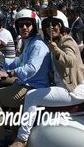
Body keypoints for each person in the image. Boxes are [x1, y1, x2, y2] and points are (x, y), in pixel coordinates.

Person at [10, 10, 84, 147]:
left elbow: (70, 61)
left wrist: (56, 50)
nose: (51, 28)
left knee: (31, 96)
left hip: (71, 89)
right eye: (47, 25)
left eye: (55, 24)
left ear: (62, 26)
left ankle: (21, 139)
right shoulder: (51, 43)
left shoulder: (67, 41)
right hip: (60, 87)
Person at [0, 9, 51, 146]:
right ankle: (12, 136)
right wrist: (1, 60)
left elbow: (31, 69)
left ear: (35, 25)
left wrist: (8, 73)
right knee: (11, 112)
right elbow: (20, 61)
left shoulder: (38, 45)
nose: (24, 28)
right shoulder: (30, 43)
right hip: (25, 84)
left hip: (31, 87)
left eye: (28, 24)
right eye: (21, 25)